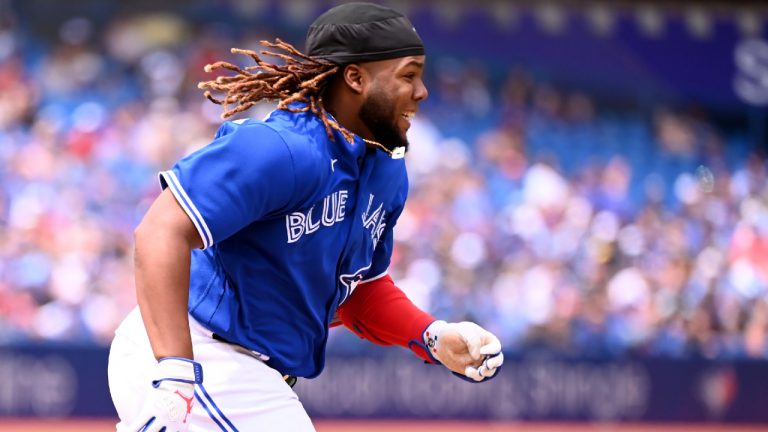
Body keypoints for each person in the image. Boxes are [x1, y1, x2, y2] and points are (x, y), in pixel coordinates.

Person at [107, 2, 504, 431]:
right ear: (355, 77)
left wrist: (431, 335)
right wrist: (176, 370)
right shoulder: (280, 147)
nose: (422, 90)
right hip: (197, 350)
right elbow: (160, 230)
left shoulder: (387, 172)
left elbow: (357, 291)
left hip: (248, 376)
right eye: (408, 75)